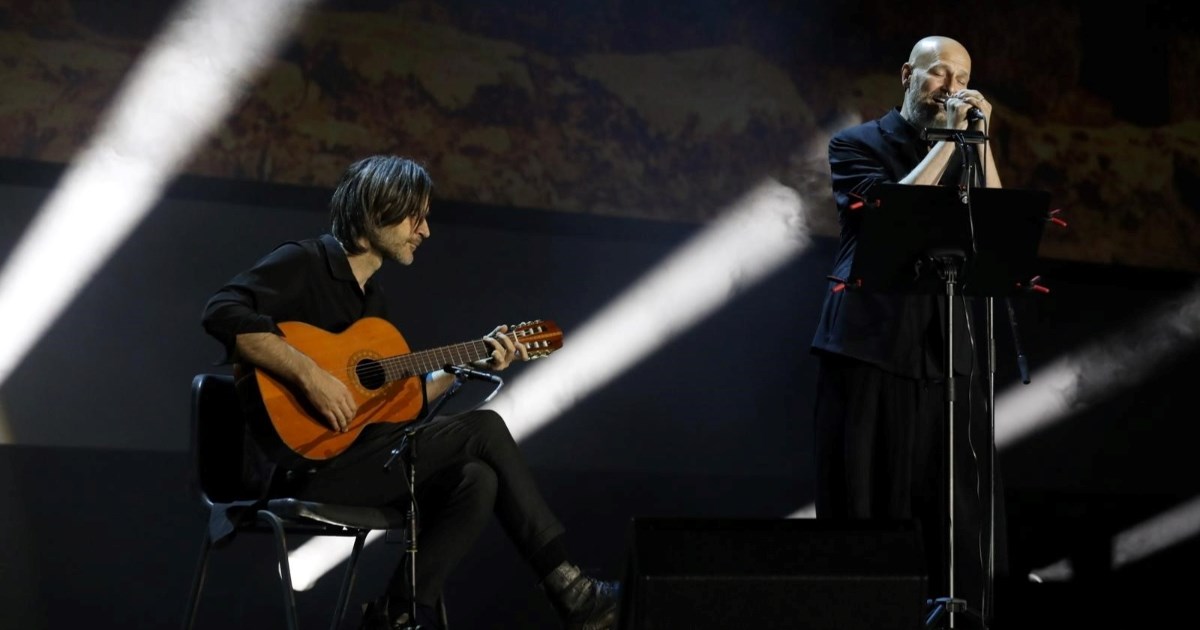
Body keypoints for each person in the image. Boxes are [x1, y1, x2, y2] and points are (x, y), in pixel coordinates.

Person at [201, 154, 619, 630]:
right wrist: (309, 375)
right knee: (485, 426)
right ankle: (571, 589)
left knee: (475, 479)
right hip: (301, 468)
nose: (425, 231)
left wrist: (470, 360)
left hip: (358, 460)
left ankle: (396, 615)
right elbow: (222, 311)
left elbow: (401, 403)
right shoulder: (305, 262)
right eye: (414, 215)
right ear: (377, 207)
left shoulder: (373, 302)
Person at [810, 35, 1007, 627]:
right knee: (869, 501)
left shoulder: (967, 148)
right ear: (907, 75)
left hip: (946, 348)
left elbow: (995, 233)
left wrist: (981, 143)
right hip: (870, 344)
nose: (951, 88)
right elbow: (893, 216)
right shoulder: (857, 144)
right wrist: (949, 143)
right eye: (938, 74)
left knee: (953, 508)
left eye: (962, 77)